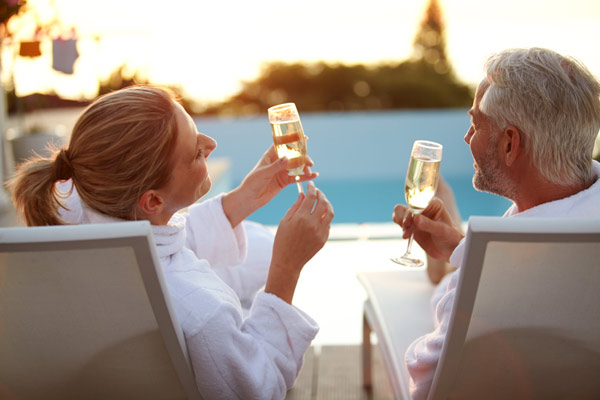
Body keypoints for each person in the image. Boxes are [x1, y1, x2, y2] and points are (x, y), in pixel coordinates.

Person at [8, 85, 334, 399]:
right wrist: (286, 269)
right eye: (195, 151)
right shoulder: (202, 312)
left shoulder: (80, 209)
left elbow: (161, 245)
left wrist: (242, 199)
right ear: (152, 201)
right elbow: (258, 388)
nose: (212, 144)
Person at [392, 47, 600, 399]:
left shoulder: (499, 279)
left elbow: (427, 383)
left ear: (509, 144)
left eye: (475, 125)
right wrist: (461, 248)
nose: (466, 138)